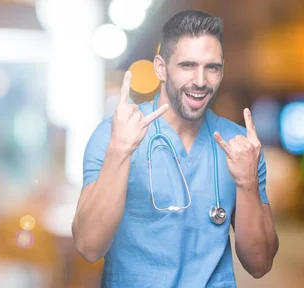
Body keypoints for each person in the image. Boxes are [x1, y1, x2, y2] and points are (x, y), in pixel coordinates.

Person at [71, 10, 279, 287]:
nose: (201, 81)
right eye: (187, 65)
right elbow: (88, 247)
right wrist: (119, 151)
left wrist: (247, 182)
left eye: (212, 67)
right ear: (161, 68)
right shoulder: (113, 136)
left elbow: (260, 264)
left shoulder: (241, 145)